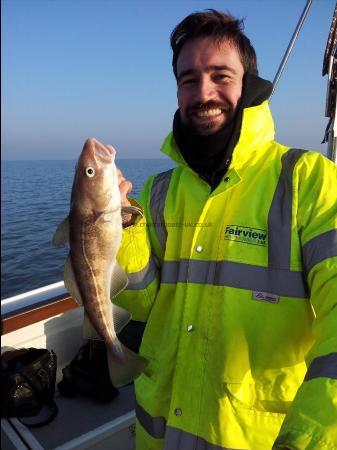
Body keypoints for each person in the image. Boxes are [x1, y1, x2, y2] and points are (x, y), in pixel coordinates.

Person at [114, 9, 337, 450]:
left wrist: (308, 438)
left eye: (221, 75)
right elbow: (138, 305)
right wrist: (121, 227)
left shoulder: (308, 179)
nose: (203, 93)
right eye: (188, 79)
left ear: (248, 84)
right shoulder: (158, 193)